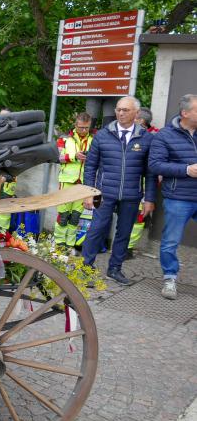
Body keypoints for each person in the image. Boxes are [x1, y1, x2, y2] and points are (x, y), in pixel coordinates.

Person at [81, 96, 156, 285]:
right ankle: (86, 269)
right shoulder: (102, 135)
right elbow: (90, 166)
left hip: (131, 195)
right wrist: (89, 192)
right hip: (103, 193)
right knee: (96, 229)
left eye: (125, 110)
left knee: (124, 233)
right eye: (118, 109)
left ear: (136, 114)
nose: (120, 113)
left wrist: (149, 198)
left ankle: (114, 269)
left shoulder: (146, 138)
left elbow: (151, 173)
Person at [148, 94, 197, 299]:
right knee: (170, 241)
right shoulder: (164, 136)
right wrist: (185, 169)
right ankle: (169, 278)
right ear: (185, 113)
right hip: (179, 197)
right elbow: (155, 165)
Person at [53, 112, 94, 249]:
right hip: (66, 181)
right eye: (81, 127)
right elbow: (56, 158)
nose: (83, 130)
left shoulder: (94, 140)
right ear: (75, 125)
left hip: (83, 183)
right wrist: (74, 156)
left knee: (75, 217)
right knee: (63, 215)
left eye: (86, 128)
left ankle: (69, 245)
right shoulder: (64, 139)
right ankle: (59, 243)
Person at [127, 107, 159, 256]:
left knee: (139, 217)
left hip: (147, 184)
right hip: (131, 182)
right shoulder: (132, 132)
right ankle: (123, 245)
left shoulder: (155, 136)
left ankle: (128, 247)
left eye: (135, 117)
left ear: (141, 121)